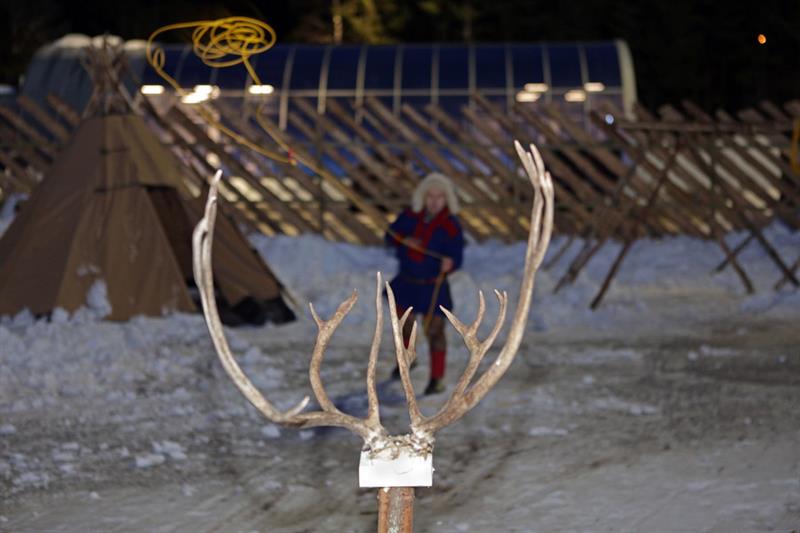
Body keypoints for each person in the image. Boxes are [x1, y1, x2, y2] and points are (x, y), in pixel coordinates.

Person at [385, 172, 464, 395]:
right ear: (423, 196)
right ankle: (406, 361)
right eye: (430, 195)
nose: (434, 201)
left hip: (433, 286)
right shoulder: (409, 217)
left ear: (447, 199)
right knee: (405, 328)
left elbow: (457, 256)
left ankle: (436, 378)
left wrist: (451, 263)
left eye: (440, 197)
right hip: (407, 284)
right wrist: (404, 240)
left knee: (435, 331)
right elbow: (390, 237)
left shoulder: (451, 225)